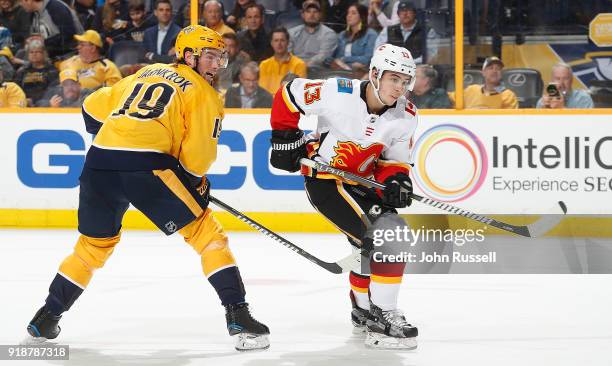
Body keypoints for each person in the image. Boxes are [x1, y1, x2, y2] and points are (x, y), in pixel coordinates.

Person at [24, 25, 270, 352]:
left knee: (92, 247)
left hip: (99, 163)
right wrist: (194, 182)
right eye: (209, 56)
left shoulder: (148, 71)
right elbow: (197, 158)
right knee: (206, 234)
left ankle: (47, 317)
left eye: (219, 57)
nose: (215, 64)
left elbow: (93, 107)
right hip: (148, 167)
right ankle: (238, 316)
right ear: (188, 56)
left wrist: (124, 133)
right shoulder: (204, 92)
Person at [268, 43, 419, 349]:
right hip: (325, 182)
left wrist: (397, 181)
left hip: (361, 184)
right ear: (375, 74)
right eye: (394, 79)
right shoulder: (338, 92)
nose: (399, 87)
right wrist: (284, 138)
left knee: (369, 245)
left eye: (405, 81)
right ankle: (383, 314)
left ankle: (363, 310)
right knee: (392, 236)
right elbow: (289, 93)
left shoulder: (407, 115)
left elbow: (393, 163)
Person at [449, 56, 518, 109]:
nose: (494, 71)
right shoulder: (471, 90)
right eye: (491, 68)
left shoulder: (508, 95)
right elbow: (450, 98)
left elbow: (509, 121)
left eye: (498, 69)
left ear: (501, 74)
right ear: (483, 72)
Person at [329, 4, 377, 77]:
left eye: (353, 13)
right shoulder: (342, 35)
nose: (349, 15)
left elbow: (367, 58)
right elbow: (335, 57)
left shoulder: (370, 34)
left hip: (361, 73)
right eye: (348, 13)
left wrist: (344, 59)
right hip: (340, 70)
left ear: (362, 17)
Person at [288, 0, 338, 69]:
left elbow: (322, 57)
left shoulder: (329, 34)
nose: (312, 15)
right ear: (303, 15)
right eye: (308, 11)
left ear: (320, 15)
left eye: (315, 12)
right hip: (293, 69)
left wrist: (301, 65)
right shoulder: (292, 33)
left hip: (317, 72)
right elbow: (287, 54)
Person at [258, 26, 306, 95]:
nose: (279, 44)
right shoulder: (264, 64)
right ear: (271, 43)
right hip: (267, 103)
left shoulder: (299, 64)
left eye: (282, 40)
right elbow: (262, 90)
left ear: (288, 42)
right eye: (276, 40)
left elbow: (299, 91)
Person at [13, 39, 59, 106]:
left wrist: (35, 101)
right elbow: (15, 88)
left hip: (45, 104)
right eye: (31, 52)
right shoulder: (22, 71)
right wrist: (24, 100)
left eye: (37, 52)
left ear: (44, 54)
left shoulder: (51, 70)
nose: (34, 54)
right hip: (23, 103)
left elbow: (53, 90)